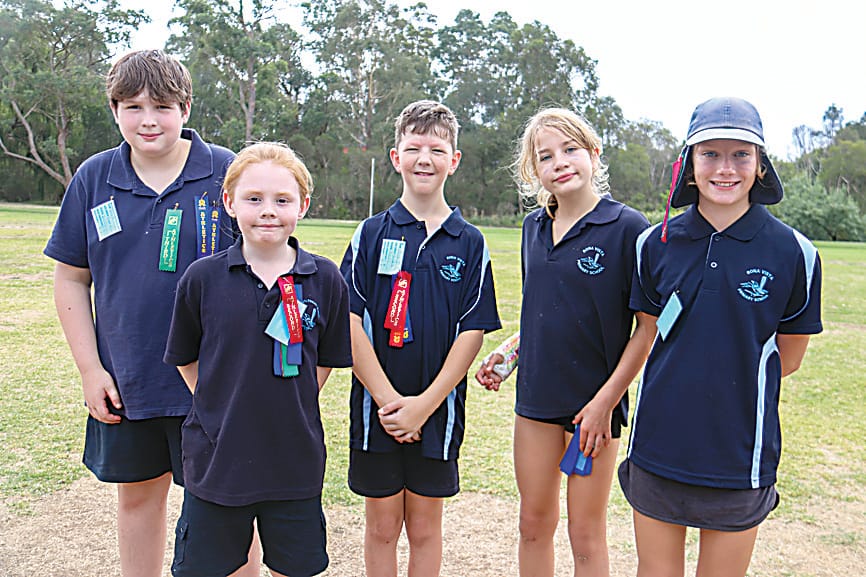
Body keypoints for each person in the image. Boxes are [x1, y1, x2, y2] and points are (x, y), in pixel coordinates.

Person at [43, 49, 266, 577]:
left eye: (162, 106)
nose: (148, 119)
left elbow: (268, 268)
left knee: (229, 511)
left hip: (215, 383)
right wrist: (90, 370)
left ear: (185, 108)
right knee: (138, 502)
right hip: (129, 379)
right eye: (133, 106)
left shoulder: (225, 172)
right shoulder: (95, 178)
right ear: (115, 110)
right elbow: (72, 277)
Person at [620, 97, 823, 577]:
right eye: (710, 154)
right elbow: (647, 334)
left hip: (740, 455)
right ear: (689, 164)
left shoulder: (796, 253)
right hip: (657, 447)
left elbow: (787, 357)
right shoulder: (654, 243)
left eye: (741, 155)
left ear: (760, 164)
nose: (725, 168)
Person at [475, 107, 655, 577]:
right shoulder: (533, 229)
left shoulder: (628, 228)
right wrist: (509, 354)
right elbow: (544, 310)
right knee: (533, 524)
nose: (560, 162)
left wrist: (604, 403)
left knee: (585, 533)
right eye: (546, 156)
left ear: (593, 153)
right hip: (535, 400)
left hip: (594, 411)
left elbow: (647, 329)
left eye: (570, 149)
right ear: (534, 171)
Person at [163, 142, 352, 577]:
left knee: (294, 566)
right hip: (217, 460)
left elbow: (323, 363)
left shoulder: (324, 279)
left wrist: (283, 397)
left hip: (294, 460)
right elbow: (186, 359)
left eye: (282, 200)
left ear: (303, 205)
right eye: (254, 199)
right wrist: (223, 402)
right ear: (229, 203)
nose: (268, 210)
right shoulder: (202, 279)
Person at [340, 100, 501, 577]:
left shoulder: (470, 242)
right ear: (395, 157)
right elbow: (350, 322)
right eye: (413, 148)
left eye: (437, 148)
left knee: (426, 530)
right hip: (377, 413)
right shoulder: (370, 234)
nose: (424, 159)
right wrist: (391, 402)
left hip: (440, 413)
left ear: (455, 160)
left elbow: (472, 330)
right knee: (382, 529)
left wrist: (425, 405)